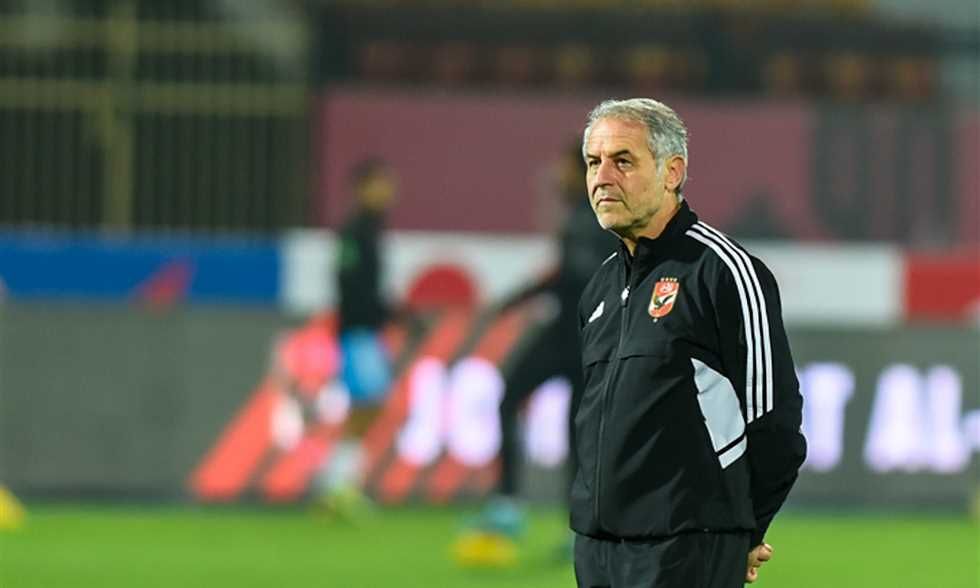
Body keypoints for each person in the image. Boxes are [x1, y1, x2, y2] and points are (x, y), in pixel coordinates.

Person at [572, 98, 806, 587]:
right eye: (593, 162)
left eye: (622, 161)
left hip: (687, 550)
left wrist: (742, 530)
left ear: (672, 172)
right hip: (597, 551)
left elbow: (776, 424)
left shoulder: (723, 272)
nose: (602, 178)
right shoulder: (599, 288)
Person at [464, 142, 617, 550]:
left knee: (555, 420)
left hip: (578, 338)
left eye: (566, 168)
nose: (558, 176)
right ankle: (524, 511)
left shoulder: (593, 217)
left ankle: (522, 511)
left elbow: (575, 276)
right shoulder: (594, 213)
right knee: (564, 424)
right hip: (578, 334)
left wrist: (516, 300)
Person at [320, 158, 397, 505]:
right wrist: (378, 312)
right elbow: (350, 282)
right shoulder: (355, 231)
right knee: (367, 404)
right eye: (380, 184)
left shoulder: (371, 229)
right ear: (362, 189)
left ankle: (340, 483)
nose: (388, 192)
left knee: (367, 406)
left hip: (367, 329)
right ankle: (337, 484)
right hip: (358, 329)